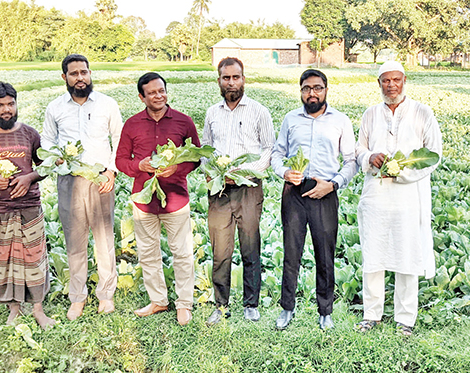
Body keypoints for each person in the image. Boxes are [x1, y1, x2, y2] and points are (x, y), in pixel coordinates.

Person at [355, 61, 442, 336]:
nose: (391, 86)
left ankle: (405, 318)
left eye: (396, 80)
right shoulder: (370, 114)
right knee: (374, 253)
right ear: (379, 83)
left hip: (408, 195)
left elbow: (433, 155)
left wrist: (402, 172)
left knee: (407, 254)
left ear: (405, 81)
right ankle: (372, 315)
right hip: (376, 196)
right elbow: (359, 148)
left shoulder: (422, 113)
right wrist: (370, 158)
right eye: (385, 81)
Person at [271, 69, 357, 331]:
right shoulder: (290, 119)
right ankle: (287, 308)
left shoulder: (340, 121)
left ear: (326, 90)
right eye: (307, 88)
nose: (312, 93)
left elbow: (351, 162)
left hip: (325, 193)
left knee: (325, 253)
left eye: (317, 88)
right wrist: (284, 172)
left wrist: (332, 185)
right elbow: (277, 153)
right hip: (295, 191)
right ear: (300, 91)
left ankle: (325, 311)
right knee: (291, 253)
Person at [0, 82, 55, 329]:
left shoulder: (30, 134)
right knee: (3, 260)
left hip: (29, 207)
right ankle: (14, 308)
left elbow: (45, 166)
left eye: (11, 104)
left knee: (34, 258)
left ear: (16, 103)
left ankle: (38, 309)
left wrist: (30, 178)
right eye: (0, 105)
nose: (7, 110)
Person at [42, 54, 122, 320]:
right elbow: (46, 141)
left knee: (104, 239)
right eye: (74, 73)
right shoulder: (55, 107)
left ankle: (106, 295)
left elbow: (119, 138)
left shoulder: (107, 104)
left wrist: (111, 170)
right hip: (70, 180)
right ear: (64, 77)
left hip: (101, 179)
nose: (80, 78)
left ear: (90, 74)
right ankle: (77, 297)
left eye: (84, 72)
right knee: (74, 241)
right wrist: (56, 157)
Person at [116, 72, 200, 326]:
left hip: (175, 199)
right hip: (144, 200)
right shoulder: (131, 124)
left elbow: (195, 156)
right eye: (152, 92)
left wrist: (178, 169)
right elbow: (120, 160)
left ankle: (184, 303)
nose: (158, 95)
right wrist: (139, 166)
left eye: (161, 90)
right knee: (148, 252)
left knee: (182, 252)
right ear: (142, 97)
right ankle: (158, 300)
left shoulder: (183, 122)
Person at [201, 57, 275, 326]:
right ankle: (220, 304)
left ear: (244, 79)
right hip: (219, 189)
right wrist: (211, 170)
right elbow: (206, 149)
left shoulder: (259, 111)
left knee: (250, 245)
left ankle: (251, 304)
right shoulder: (212, 113)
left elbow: (269, 148)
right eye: (226, 78)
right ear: (218, 80)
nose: (231, 82)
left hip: (249, 189)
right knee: (220, 249)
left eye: (236, 77)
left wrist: (245, 172)